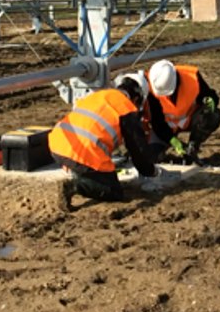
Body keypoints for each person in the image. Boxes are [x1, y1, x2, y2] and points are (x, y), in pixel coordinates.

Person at [49, 72, 169, 212]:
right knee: (113, 191)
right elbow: (138, 152)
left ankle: (77, 171)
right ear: (137, 98)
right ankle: (74, 186)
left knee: (96, 170)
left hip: (57, 144)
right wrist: (151, 171)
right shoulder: (127, 108)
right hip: (81, 153)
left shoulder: (99, 95)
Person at [143, 59, 220, 164]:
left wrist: (211, 100)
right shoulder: (149, 85)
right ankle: (168, 158)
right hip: (165, 127)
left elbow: (208, 95)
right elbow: (157, 122)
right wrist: (173, 140)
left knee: (213, 115)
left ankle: (193, 146)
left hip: (189, 120)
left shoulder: (191, 77)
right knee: (150, 156)